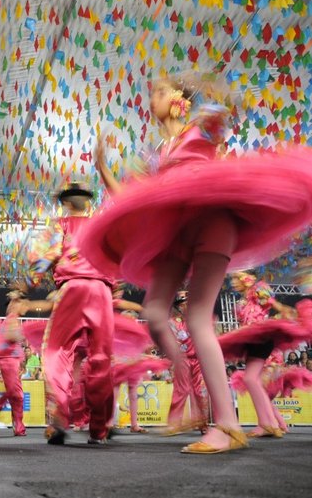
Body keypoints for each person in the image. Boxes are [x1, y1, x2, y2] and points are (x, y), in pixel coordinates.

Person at [81, 73, 312, 453]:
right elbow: (131, 201)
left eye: (157, 90)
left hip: (212, 225)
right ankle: (185, 377)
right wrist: (104, 167)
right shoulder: (159, 151)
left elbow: (224, 113)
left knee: (197, 318)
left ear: (177, 97)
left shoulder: (197, 129)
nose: (150, 98)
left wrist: (212, 89)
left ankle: (227, 426)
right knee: (155, 311)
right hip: (176, 236)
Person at [27, 183, 115, 445]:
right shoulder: (102, 223)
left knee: (56, 351)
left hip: (72, 289)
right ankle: (99, 429)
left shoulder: (59, 225)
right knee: (101, 358)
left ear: (65, 203)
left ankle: (59, 418)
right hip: (102, 292)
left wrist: (32, 280)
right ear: (87, 201)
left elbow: (45, 258)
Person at [218, 272, 308, 438]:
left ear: (246, 278)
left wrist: (282, 309)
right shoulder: (240, 302)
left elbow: (271, 301)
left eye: (235, 279)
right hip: (251, 340)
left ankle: (268, 424)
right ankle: (270, 424)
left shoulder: (257, 289)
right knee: (252, 380)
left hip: (262, 337)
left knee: (251, 379)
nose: (232, 283)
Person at [164, 291, 209, 436]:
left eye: (188, 303)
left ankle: (203, 423)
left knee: (200, 391)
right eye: (183, 304)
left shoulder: (200, 320)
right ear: (178, 306)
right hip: (182, 359)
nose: (186, 306)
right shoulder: (171, 323)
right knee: (180, 390)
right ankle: (173, 424)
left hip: (199, 359)